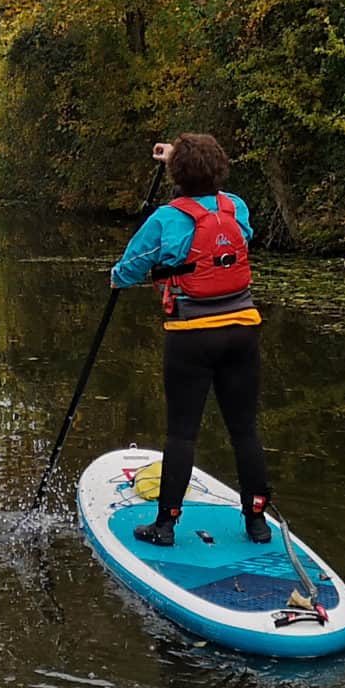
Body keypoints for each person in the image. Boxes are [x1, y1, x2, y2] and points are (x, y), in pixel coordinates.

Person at [108, 132, 270, 547]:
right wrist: (175, 159)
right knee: (244, 431)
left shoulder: (165, 219)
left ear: (177, 175)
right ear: (220, 169)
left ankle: (164, 527)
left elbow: (129, 269)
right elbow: (237, 235)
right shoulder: (237, 208)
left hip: (191, 336)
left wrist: (116, 277)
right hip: (242, 329)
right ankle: (257, 522)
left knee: (182, 434)